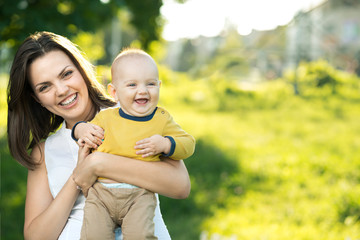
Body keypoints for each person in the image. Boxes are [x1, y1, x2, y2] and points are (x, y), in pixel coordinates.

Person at [7, 31, 191, 240]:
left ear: (82, 71)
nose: (61, 90)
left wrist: (99, 164)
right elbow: (36, 237)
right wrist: (78, 177)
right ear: (37, 98)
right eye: (45, 87)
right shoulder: (43, 151)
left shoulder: (133, 113)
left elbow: (180, 185)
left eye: (66, 74)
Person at [71, 48, 195, 239]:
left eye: (151, 84)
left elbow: (188, 144)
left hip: (139, 195)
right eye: (132, 85)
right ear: (114, 92)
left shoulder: (161, 119)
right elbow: (82, 130)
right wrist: (81, 129)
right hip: (101, 194)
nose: (143, 90)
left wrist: (165, 144)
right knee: (94, 234)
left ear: (159, 86)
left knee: (140, 234)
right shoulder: (106, 118)